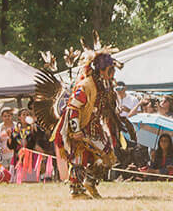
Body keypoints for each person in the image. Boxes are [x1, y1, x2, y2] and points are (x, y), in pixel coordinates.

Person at [55, 47, 130, 198]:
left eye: (113, 71)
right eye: (110, 70)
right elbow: (73, 108)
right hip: (78, 126)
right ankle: (76, 191)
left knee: (107, 157)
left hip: (94, 127)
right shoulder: (86, 85)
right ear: (101, 70)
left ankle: (89, 182)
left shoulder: (104, 86)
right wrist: (75, 130)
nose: (112, 74)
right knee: (79, 158)